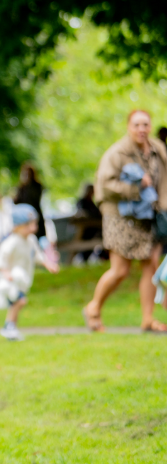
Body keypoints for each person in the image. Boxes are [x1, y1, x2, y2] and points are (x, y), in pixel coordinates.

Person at [84, 109, 167, 333]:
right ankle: (93, 307)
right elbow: (104, 186)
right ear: (129, 127)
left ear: (150, 126)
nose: (141, 129)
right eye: (137, 125)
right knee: (120, 270)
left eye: (145, 124)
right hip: (121, 217)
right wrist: (136, 188)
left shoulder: (158, 150)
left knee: (151, 265)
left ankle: (148, 319)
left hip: (149, 216)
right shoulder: (117, 153)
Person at [0, 204, 60, 341]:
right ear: (19, 226)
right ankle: (9, 326)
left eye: (34, 224)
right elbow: (1, 259)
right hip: (10, 281)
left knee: (17, 303)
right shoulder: (12, 242)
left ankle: (11, 328)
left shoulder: (31, 240)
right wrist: (6, 272)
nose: (33, 228)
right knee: (20, 301)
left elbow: (37, 255)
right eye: (29, 225)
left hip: (21, 281)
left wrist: (48, 264)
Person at [13, 163, 47, 242]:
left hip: (34, 215)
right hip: (25, 218)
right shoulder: (22, 187)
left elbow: (34, 199)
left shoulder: (37, 186)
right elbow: (17, 201)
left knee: (38, 238)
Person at [74, 183, 105, 263]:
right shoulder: (82, 202)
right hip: (85, 229)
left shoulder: (92, 203)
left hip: (94, 228)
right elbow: (83, 214)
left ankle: (102, 255)